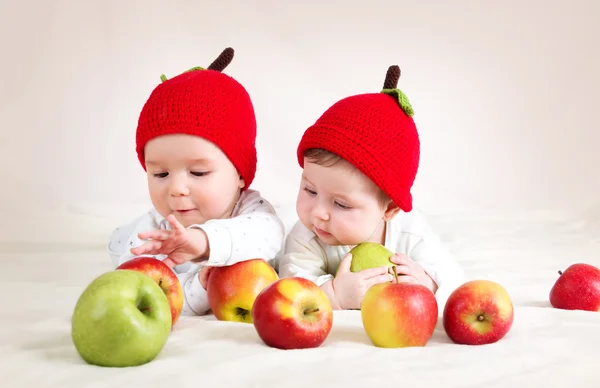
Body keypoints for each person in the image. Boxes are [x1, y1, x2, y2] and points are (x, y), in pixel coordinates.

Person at [107, 48, 285, 316]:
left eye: (198, 173)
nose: (176, 189)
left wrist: (201, 241)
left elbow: (269, 235)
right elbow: (146, 295)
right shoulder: (154, 230)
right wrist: (201, 289)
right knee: (121, 240)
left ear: (239, 174)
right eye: (161, 175)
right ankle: (115, 238)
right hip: (127, 239)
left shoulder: (252, 210)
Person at [278, 65, 464, 313]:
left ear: (389, 208)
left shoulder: (410, 234)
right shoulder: (307, 236)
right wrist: (335, 295)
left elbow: (456, 282)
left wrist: (427, 283)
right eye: (310, 190)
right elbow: (291, 285)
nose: (318, 212)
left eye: (341, 204)